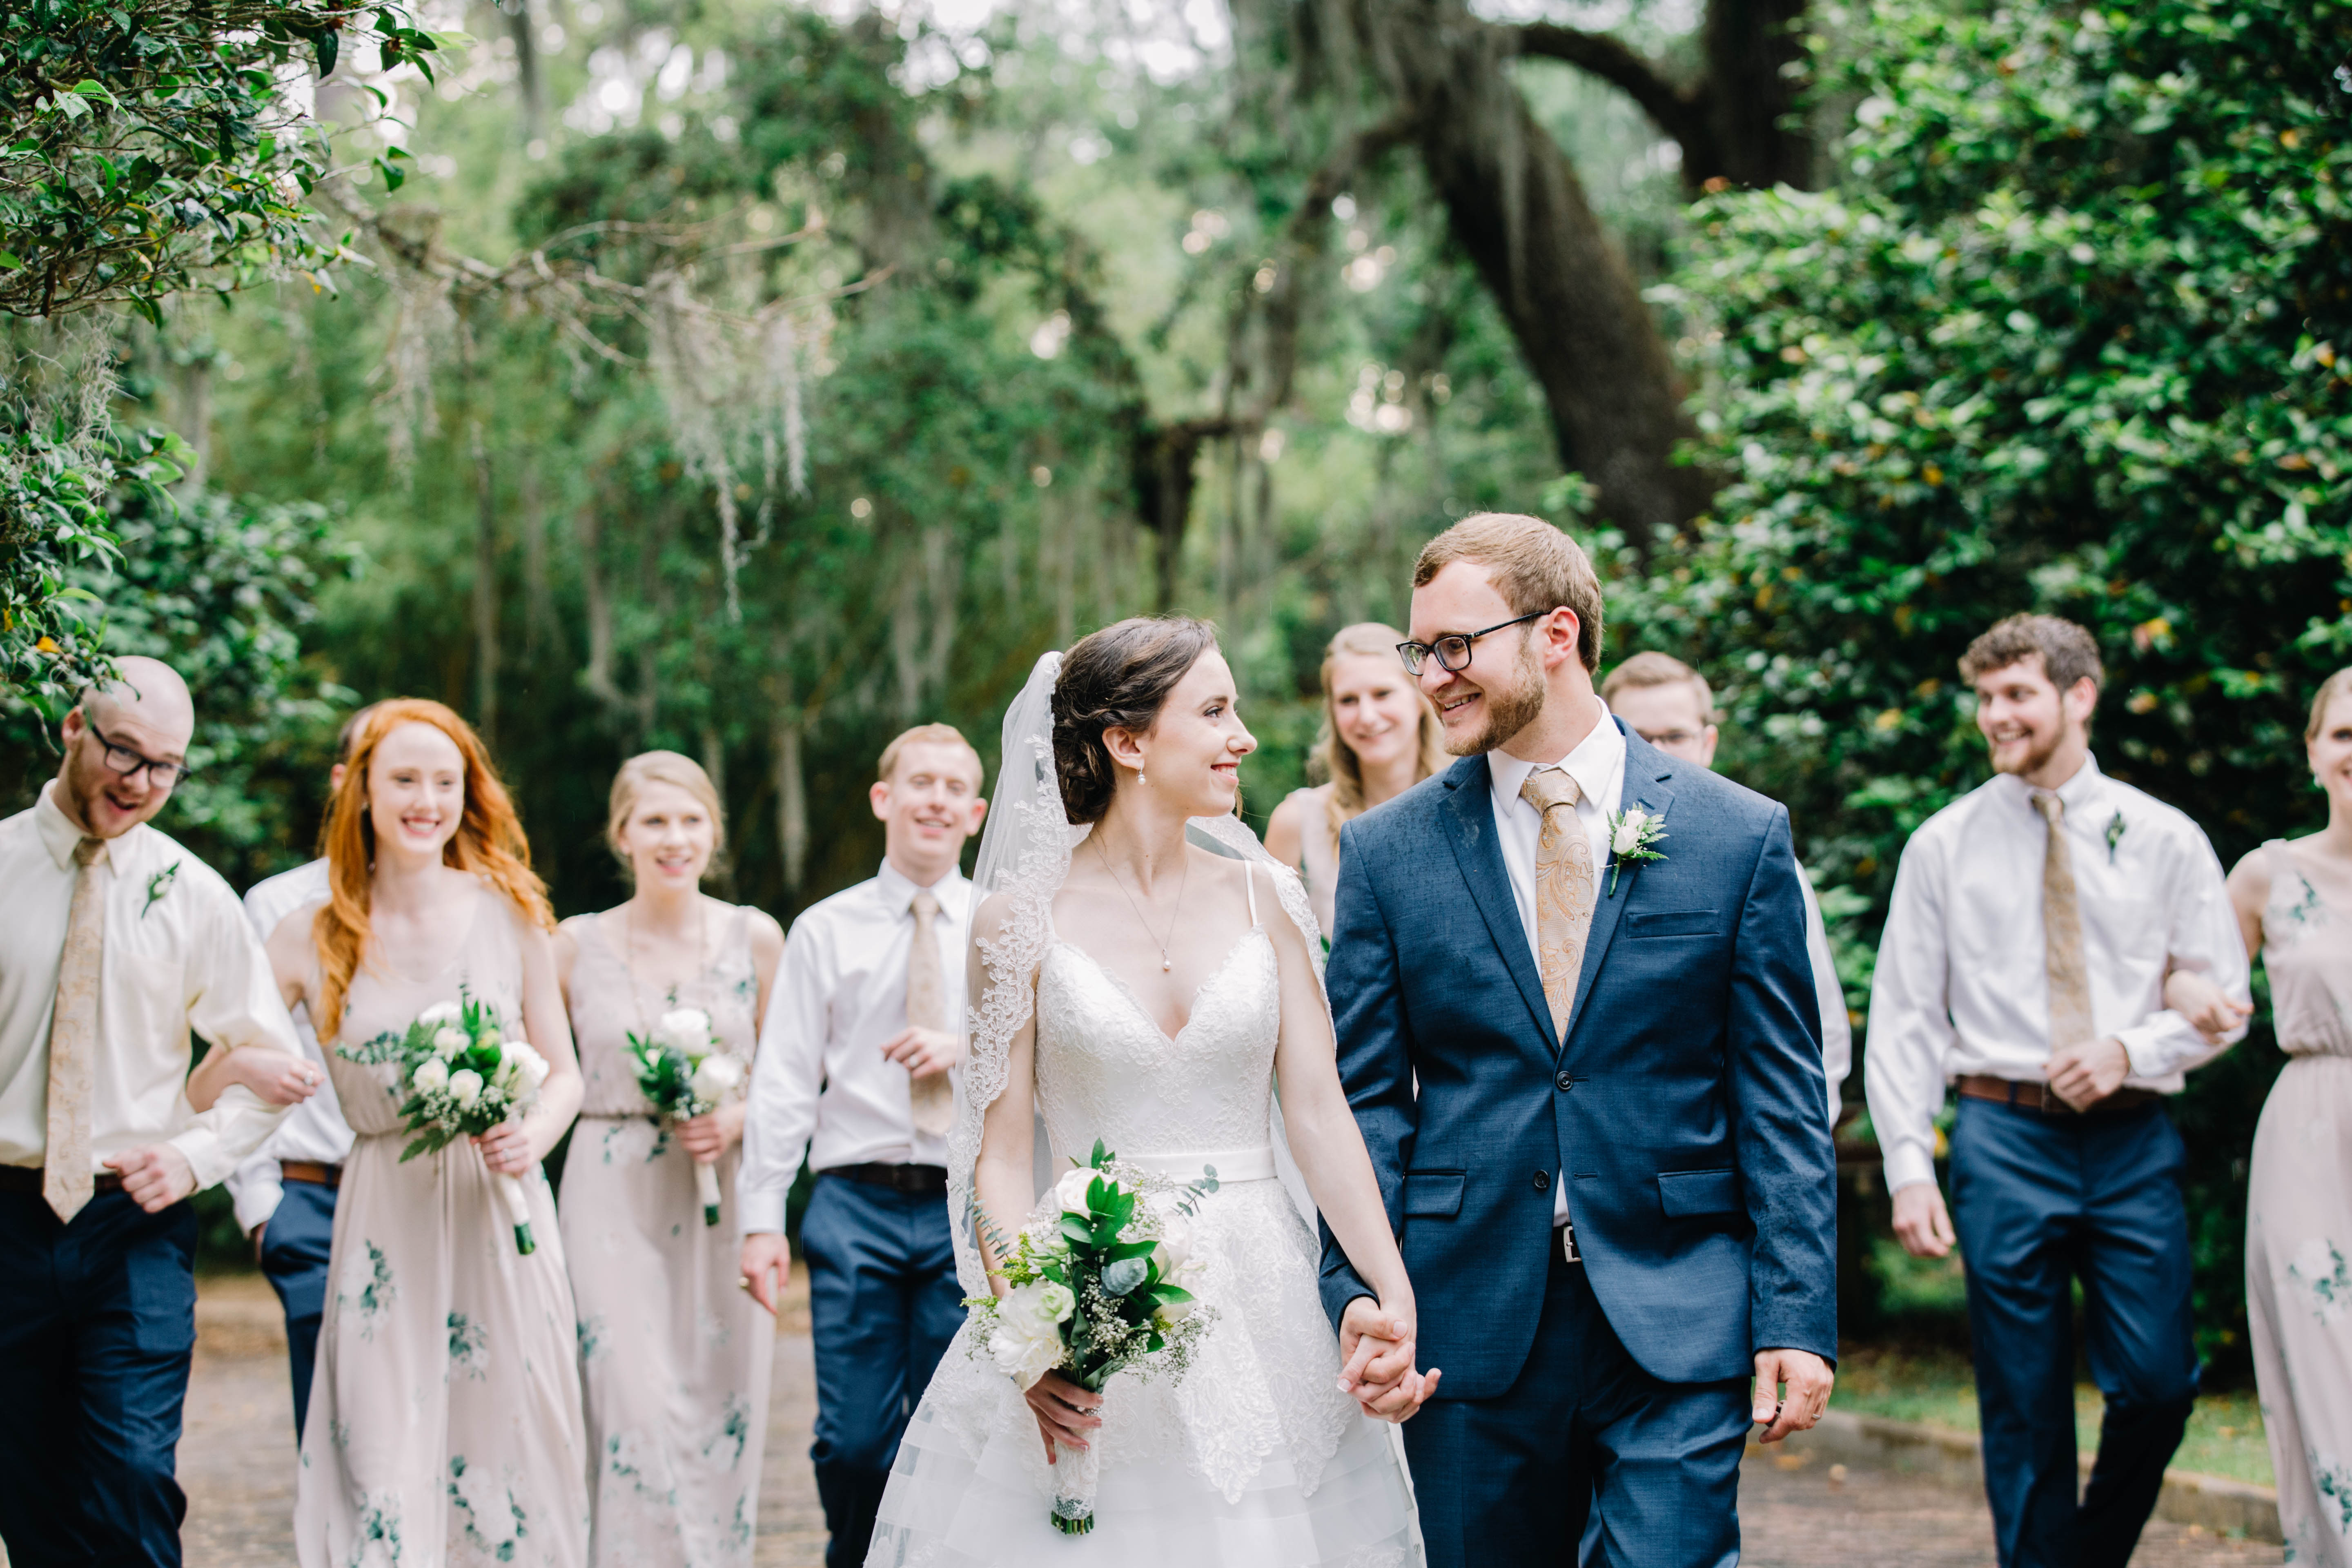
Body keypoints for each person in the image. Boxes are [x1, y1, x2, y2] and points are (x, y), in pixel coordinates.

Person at [1322, 514, 1837, 1568]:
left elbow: (1777, 1096)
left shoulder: (1735, 835)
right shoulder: (1387, 854)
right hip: (1468, 1318)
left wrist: (1796, 1314)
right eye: (1423, 651)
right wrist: (1363, 1292)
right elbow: (1366, 1100)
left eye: (1455, 646)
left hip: (1680, 1307)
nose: (1432, 676)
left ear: (1556, 634)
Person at [866, 621, 1429, 1565]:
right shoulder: (1012, 921)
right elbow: (999, 1154)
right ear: (1125, 744)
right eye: (1213, 711)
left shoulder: (1267, 895)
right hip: (1088, 1292)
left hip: (1267, 1303)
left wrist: (1391, 1288)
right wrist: (1028, 1332)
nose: (1241, 735)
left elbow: (1317, 1111)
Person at [1865, 614, 2251, 1568]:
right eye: (1983, 697)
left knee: (2158, 1384)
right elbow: (1904, 1015)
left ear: (2077, 695)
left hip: (2129, 1138)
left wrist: (2131, 1044)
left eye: (2014, 695)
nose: (1992, 715)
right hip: (2000, 1135)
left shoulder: (2163, 837)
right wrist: (1909, 1165)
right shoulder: (1941, 844)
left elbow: (2223, 999)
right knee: (2022, 1401)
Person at [274, 698, 590, 1567]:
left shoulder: (511, 909)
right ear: (363, 793)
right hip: (383, 1221)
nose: (427, 800)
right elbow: (236, 1066)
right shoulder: (310, 931)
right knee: (379, 1456)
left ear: (469, 794)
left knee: (509, 1450)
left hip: (503, 1211)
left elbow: (564, 1074)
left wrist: (534, 1132)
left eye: (445, 782)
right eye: (405, 779)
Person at [0, 657, 301, 1568]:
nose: (141, 784)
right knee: (27, 1484)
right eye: (124, 753)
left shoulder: (197, 896)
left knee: (133, 1472)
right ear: (70, 730)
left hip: (135, 1218)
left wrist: (197, 1158)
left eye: (165, 766)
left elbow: (269, 1071)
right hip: (4, 1217)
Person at [737, 724, 991, 1568]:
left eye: (955, 788)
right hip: (855, 1205)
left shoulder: (1002, 929)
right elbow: (781, 1083)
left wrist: (967, 1045)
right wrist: (762, 1220)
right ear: (885, 799)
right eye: (920, 783)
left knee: (959, 1432)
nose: (937, 800)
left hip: (969, 1206)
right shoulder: (824, 929)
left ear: (977, 812)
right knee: (854, 1443)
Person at [558, 751, 784, 1566]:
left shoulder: (755, 936)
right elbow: (546, 1074)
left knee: (722, 1399)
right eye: (654, 821)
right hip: (607, 1185)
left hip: (722, 1188)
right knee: (629, 1404)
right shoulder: (572, 946)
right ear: (622, 835)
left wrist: (737, 1117)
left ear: (713, 832)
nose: (674, 838)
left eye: (691, 820)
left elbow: (794, 1080)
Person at [2164, 667, 2352, 1566]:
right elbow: (2197, 981)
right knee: (2326, 1367)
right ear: (2314, 751)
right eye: (2344, 734)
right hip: (2313, 1131)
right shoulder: (2267, 874)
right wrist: (2192, 988)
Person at [205, 703, 377, 1443]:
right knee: (332, 1423)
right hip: (310, 1199)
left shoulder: (476, 907)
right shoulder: (276, 906)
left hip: (428, 1195)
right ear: (345, 782)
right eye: (385, 773)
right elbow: (235, 1062)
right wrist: (260, 1207)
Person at [1600, 651, 1853, 1122]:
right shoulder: (1579, 854)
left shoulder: (1758, 857)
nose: (1657, 753)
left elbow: (1818, 1030)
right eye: (1638, 737)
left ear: (1708, 742)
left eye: (1675, 736)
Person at [1265, 622, 1449, 934]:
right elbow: (1271, 952)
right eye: (1348, 700)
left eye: (1382, 694)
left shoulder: (1473, 800)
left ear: (1420, 697)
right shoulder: (1297, 823)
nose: (1367, 716)